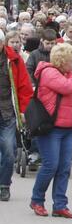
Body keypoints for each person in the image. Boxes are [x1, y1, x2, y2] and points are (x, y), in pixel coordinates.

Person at [30, 43, 72, 218]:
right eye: (71, 61)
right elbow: (68, 87)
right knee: (50, 165)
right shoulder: (49, 72)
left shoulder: (67, 74)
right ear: (63, 60)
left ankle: (60, 205)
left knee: (64, 168)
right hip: (51, 127)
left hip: (67, 127)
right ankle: (37, 200)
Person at [0, 29, 33, 203]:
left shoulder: (14, 59)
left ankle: (4, 185)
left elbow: (24, 87)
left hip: (8, 112)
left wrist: (23, 110)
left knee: (9, 151)